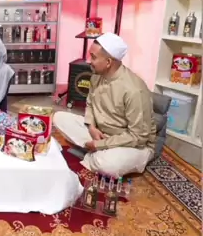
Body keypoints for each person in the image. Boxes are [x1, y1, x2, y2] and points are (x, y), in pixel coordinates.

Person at [53, 32, 157, 178]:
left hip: (132, 145)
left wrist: (100, 145)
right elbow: (90, 104)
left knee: (108, 165)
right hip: (101, 134)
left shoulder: (134, 90)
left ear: (108, 62)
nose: (89, 61)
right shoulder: (96, 77)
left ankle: (93, 155)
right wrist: (91, 127)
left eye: (93, 57)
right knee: (59, 118)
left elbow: (138, 136)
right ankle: (95, 154)